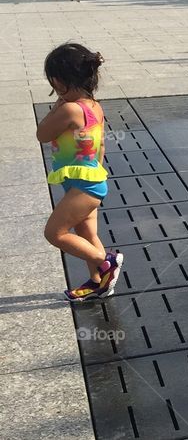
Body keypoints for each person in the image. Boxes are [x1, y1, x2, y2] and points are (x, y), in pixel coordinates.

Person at [36, 43, 124, 301]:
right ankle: (98, 282)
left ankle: (106, 261)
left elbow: (42, 134)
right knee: (86, 233)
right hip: (90, 179)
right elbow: (101, 144)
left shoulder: (69, 110)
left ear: (58, 80)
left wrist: (55, 107)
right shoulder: (92, 106)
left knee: (55, 233)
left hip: (83, 186)